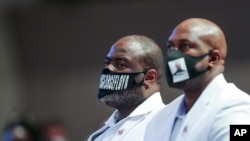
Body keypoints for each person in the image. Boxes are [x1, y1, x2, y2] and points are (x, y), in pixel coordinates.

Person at [144, 18, 250, 141]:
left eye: (185, 46)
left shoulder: (235, 107)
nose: (173, 56)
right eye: (170, 47)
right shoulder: (160, 117)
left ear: (213, 58)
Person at [87, 35, 165, 141]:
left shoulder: (165, 123)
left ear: (149, 77)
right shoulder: (100, 135)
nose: (108, 69)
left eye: (121, 65)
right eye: (107, 63)